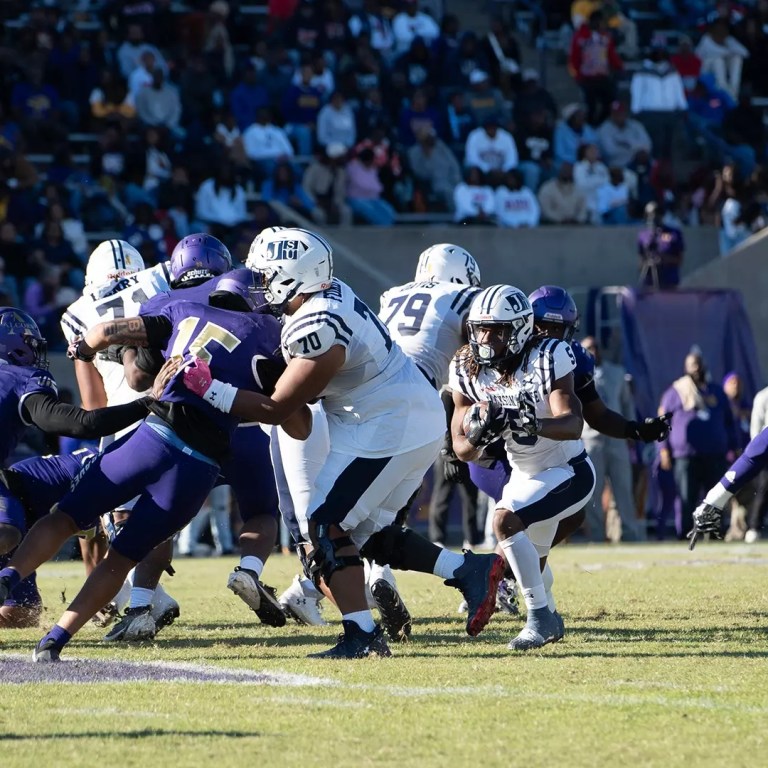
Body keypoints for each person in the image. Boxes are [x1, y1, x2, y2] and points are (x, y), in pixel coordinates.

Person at [181, 227, 506, 658]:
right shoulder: (324, 297)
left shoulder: (317, 325)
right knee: (367, 535)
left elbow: (280, 410)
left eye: (265, 276)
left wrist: (210, 388)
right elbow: (296, 416)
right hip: (398, 415)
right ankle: (470, 569)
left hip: (388, 421)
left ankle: (362, 635)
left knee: (322, 526)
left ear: (290, 276)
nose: (258, 286)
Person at [0, 276, 308, 662]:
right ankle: (55, 640)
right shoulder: (271, 338)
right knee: (120, 560)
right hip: (197, 469)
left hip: (151, 437)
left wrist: (86, 349)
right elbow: (298, 425)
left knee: (65, 518)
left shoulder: (183, 309)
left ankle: (7, 577)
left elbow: (108, 332)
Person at [449, 284, 595, 650]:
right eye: (481, 328)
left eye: (497, 330)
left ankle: (540, 620)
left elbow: (573, 423)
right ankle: (551, 616)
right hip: (524, 475)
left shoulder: (548, 356)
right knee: (533, 565)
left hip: (568, 471)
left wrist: (530, 423)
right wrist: (481, 433)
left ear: (520, 330)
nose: (486, 338)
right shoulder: (466, 367)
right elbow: (462, 449)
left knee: (503, 521)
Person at [60, 239, 179, 632]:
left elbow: (95, 405)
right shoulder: (161, 282)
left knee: (125, 518)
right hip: (178, 406)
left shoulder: (77, 314)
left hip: (124, 422)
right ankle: (147, 599)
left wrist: (85, 355)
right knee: (163, 512)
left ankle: (144, 603)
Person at [379, 244, 482, 551]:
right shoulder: (464, 297)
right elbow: (463, 378)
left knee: (377, 493)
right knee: (391, 494)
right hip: (412, 389)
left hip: (365, 383)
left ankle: (375, 566)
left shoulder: (392, 294)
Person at [658, 350, 737, 539]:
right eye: (692, 364)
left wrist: (734, 446)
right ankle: (685, 534)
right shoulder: (675, 392)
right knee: (686, 498)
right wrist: (663, 450)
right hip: (685, 455)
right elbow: (662, 423)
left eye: (699, 363)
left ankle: (713, 534)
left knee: (716, 498)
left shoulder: (716, 391)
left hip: (715, 455)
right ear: (685, 368)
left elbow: (729, 421)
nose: (696, 368)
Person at [580, 336, 643, 541]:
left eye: (596, 347)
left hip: (616, 440)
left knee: (623, 490)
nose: (593, 351)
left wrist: (631, 430)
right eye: (588, 348)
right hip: (591, 440)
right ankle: (597, 536)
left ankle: (630, 533)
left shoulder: (616, 373)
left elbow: (627, 405)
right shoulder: (575, 374)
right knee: (593, 492)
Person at [636, 201, 685, 289]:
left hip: (669, 282)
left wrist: (663, 259)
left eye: (656, 213)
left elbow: (679, 259)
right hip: (650, 282)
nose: (652, 217)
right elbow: (640, 261)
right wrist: (648, 262)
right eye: (649, 214)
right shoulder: (643, 235)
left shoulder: (673, 233)